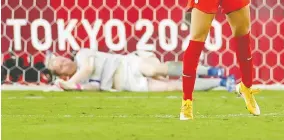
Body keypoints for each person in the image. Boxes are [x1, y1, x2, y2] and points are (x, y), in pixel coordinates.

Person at [45, 48, 235, 92]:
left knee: (155, 69)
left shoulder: (82, 55)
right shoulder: (77, 83)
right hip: (129, 84)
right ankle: (221, 82)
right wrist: (73, 87)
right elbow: (94, 88)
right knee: (172, 87)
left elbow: (88, 69)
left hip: (128, 64)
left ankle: (209, 70)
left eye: (60, 60)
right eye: (59, 66)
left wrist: (70, 84)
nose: (63, 62)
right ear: (62, 74)